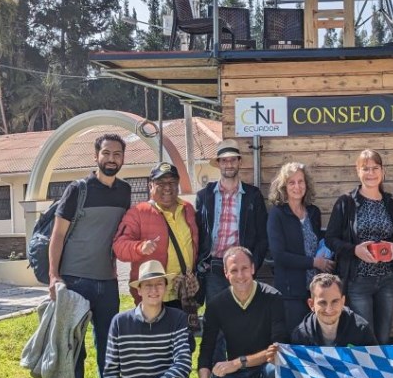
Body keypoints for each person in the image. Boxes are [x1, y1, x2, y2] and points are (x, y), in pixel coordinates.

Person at [47, 132, 131, 378]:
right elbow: (57, 236)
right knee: (74, 349)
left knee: (109, 349)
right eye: (106, 153)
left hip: (108, 282)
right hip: (75, 281)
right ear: (96, 156)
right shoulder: (77, 190)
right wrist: (54, 276)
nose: (111, 159)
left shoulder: (124, 192)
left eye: (117, 154)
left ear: (123, 158)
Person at [194, 246, 283, 378]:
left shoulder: (273, 297)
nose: (240, 275)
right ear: (226, 273)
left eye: (244, 268)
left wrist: (237, 362)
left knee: (272, 372)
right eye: (234, 270)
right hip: (240, 376)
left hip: (264, 370)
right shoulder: (217, 305)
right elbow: (206, 351)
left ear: (253, 268)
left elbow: (277, 349)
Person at [325, 149, 393, 344]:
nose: (371, 173)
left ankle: (382, 375)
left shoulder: (389, 203)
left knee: (383, 338)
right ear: (357, 171)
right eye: (365, 168)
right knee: (365, 339)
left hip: (387, 280)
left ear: (382, 171)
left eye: (375, 168)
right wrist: (354, 250)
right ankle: (366, 375)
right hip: (358, 281)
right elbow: (330, 238)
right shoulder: (346, 202)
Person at [113, 163, 199, 318]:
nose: (167, 188)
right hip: (153, 295)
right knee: (154, 340)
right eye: (160, 183)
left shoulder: (188, 209)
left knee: (184, 340)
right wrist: (140, 247)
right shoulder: (137, 213)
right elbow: (119, 247)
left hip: (183, 292)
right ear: (150, 186)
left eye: (172, 182)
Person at [195, 140, 268, 306]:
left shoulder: (253, 195)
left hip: (242, 269)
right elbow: (197, 233)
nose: (229, 164)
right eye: (224, 160)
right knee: (215, 321)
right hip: (213, 269)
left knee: (243, 317)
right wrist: (200, 263)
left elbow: (263, 237)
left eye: (233, 160)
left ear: (239, 162)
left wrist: (253, 265)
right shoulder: (204, 196)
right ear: (219, 164)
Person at [267, 161, 335, 334]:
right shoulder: (277, 214)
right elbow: (279, 255)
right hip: (291, 292)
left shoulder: (313, 212)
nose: (297, 186)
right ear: (283, 187)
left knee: (315, 342)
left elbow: (317, 245)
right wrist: (314, 262)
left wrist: (325, 260)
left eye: (300, 181)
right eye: (291, 182)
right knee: (294, 340)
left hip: (315, 292)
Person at [291, 273, 378, 347]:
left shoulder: (361, 330)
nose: (329, 309)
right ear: (311, 304)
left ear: (343, 301)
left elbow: (375, 363)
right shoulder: (301, 335)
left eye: (335, 301)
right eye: (322, 303)